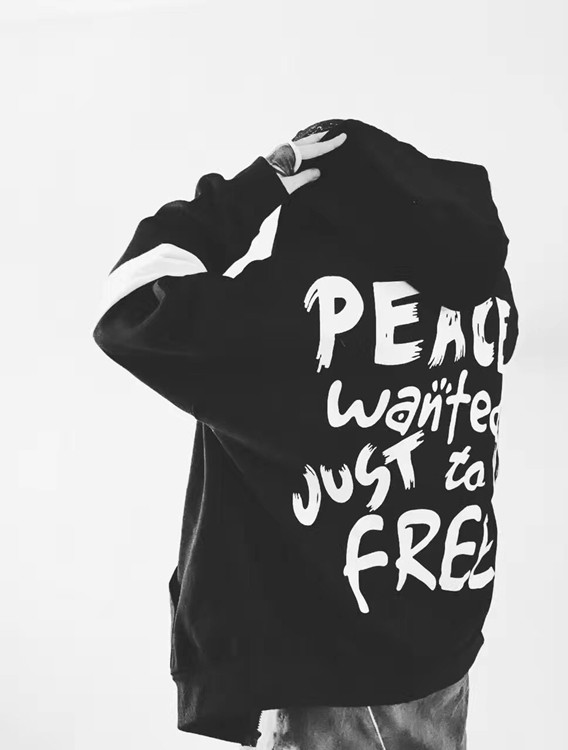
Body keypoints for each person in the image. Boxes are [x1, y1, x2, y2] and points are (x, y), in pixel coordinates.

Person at [92, 118, 518, 749]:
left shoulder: (292, 308)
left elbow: (127, 303)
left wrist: (262, 183)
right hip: (442, 647)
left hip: (328, 668)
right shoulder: (486, 302)